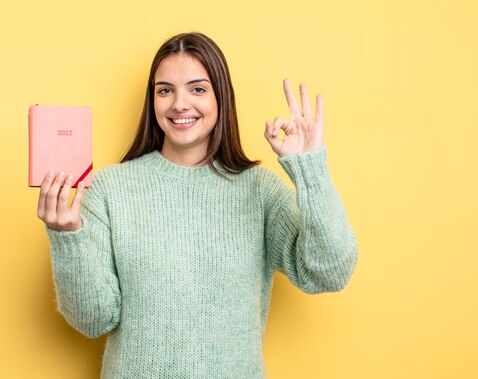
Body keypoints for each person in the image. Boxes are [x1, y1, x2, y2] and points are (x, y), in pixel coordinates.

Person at [36, 32, 358, 378]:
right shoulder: (109, 189)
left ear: (221, 97)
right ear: (153, 100)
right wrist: (67, 237)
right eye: (165, 90)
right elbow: (93, 319)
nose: (179, 104)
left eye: (198, 89)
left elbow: (329, 272)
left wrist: (310, 168)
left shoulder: (260, 191)